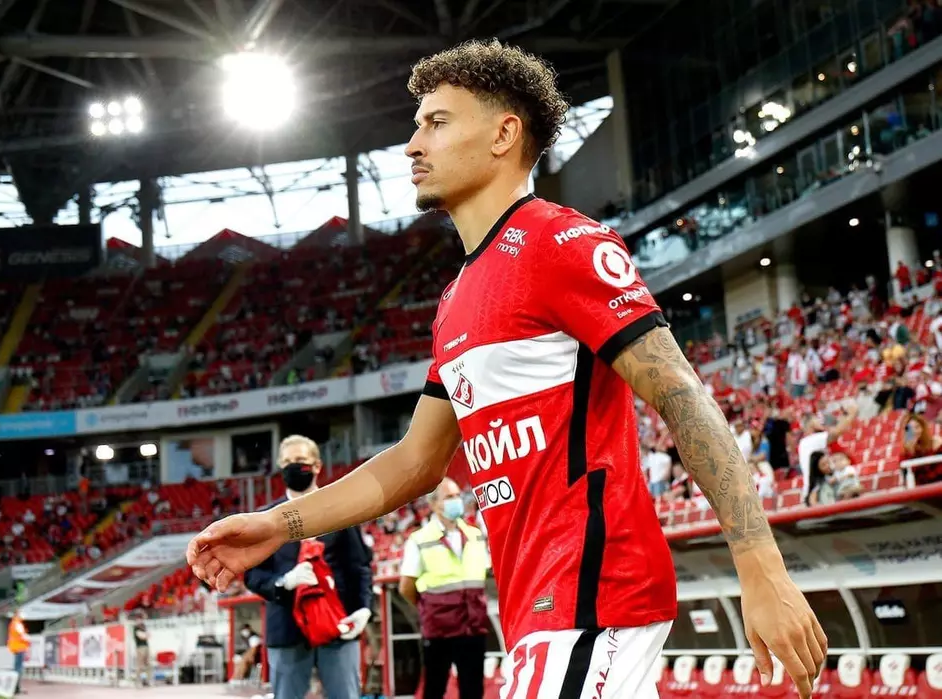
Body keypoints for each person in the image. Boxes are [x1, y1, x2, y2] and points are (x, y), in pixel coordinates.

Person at [188, 39, 827, 699]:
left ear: (504, 134)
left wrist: (760, 564)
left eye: (436, 122)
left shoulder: (559, 241)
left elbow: (681, 395)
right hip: (537, 613)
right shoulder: (455, 300)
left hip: (593, 598)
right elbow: (414, 462)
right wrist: (276, 524)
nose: (412, 145)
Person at [240, 435, 372, 699]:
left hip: (338, 623)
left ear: (317, 465)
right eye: (287, 461)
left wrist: (364, 608)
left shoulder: (341, 511)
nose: (293, 466)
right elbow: (252, 575)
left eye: (300, 460)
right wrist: (283, 582)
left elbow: (359, 566)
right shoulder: (266, 519)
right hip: (286, 627)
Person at [399, 478, 489, 699]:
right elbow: (406, 586)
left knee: (473, 691)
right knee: (434, 689)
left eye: (457, 495)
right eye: (449, 497)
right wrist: (429, 608)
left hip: (473, 626)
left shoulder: (476, 536)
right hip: (439, 629)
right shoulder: (419, 540)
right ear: (433, 504)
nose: (456, 500)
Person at [7, 608, 30, 695]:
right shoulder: (17, 623)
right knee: (18, 668)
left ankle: (15, 687)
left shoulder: (14, 623)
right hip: (19, 647)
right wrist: (28, 639)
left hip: (16, 647)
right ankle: (16, 688)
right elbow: (22, 635)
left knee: (17, 667)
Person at [134, 611, 150, 687]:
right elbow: (142, 636)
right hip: (140, 647)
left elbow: (148, 635)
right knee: (140, 665)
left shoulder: (144, 627)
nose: (140, 621)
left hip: (146, 646)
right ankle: (138, 681)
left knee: (147, 664)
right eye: (139, 619)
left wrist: (145, 635)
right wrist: (145, 635)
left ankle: (146, 680)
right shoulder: (136, 628)